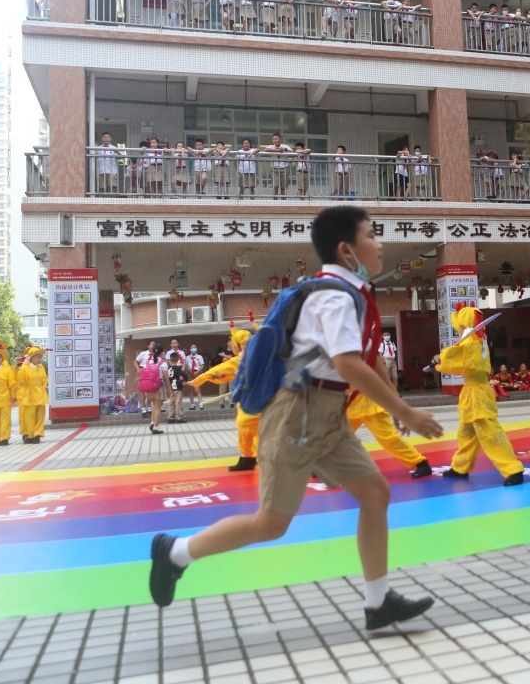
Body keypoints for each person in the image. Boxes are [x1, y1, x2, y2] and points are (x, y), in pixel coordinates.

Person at [149, 207, 444, 632]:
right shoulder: (334, 296)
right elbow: (347, 363)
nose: (380, 244)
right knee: (271, 523)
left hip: (327, 414)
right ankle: (174, 552)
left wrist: (393, 400)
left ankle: (378, 602)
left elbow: (367, 356)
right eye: (372, 235)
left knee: (376, 494)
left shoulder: (349, 293)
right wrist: (404, 411)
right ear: (347, 250)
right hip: (297, 414)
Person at [436, 305, 524, 486]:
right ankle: (460, 466)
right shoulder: (477, 339)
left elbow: (465, 363)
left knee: (490, 433)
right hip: (472, 390)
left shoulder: (471, 341)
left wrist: (442, 357)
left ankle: (513, 469)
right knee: (466, 431)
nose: (458, 329)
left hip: (477, 391)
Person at [190, 321, 259, 470]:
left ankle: (255, 457)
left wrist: (199, 380)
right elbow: (220, 371)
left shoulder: (251, 359)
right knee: (247, 428)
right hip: (251, 401)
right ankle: (249, 458)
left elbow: (218, 372)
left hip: (259, 402)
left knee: (252, 427)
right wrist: (200, 380)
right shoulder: (242, 360)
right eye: (243, 344)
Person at [347, 392, 432, 478]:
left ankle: (420, 462)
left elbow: (388, 383)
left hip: (371, 406)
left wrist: (400, 411)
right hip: (347, 407)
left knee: (390, 438)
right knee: (336, 437)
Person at [16, 347, 49, 444]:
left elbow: (44, 379)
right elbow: (20, 379)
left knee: (40, 415)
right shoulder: (25, 368)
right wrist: (18, 368)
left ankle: (38, 434)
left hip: (40, 393)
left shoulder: (41, 367)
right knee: (30, 416)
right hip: (29, 395)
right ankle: (30, 435)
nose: (40, 359)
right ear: (31, 358)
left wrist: (42, 387)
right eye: (38, 357)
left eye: (40, 357)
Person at [163, 352, 188, 424]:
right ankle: (179, 417)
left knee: (172, 402)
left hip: (171, 388)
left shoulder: (168, 369)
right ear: (178, 360)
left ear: (170, 360)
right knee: (178, 402)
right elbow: (180, 377)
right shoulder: (178, 368)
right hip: (177, 387)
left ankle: (170, 417)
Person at [187, 344, 205, 410]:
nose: (193, 348)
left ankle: (201, 403)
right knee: (190, 389)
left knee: (197, 389)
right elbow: (186, 365)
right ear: (190, 349)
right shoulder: (188, 357)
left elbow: (202, 365)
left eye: (194, 347)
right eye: (192, 347)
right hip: (190, 373)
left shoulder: (199, 357)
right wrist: (190, 371)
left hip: (197, 373)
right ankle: (192, 404)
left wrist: (197, 372)